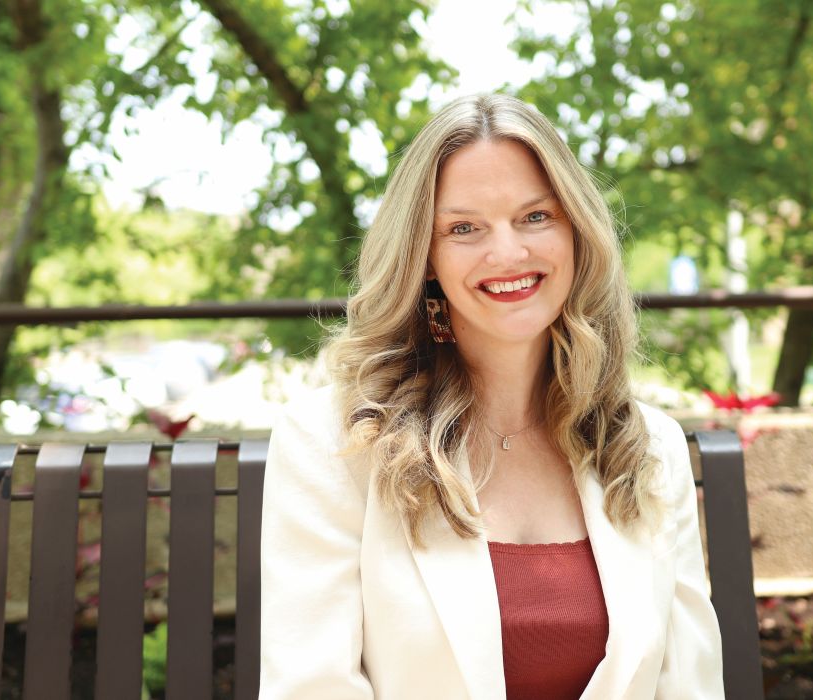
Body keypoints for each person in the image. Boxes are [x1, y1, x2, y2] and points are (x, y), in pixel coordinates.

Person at [260, 93, 724, 699]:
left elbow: (688, 686)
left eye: (535, 217)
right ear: (424, 257)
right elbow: (311, 689)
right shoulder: (333, 442)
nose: (507, 253)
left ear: (577, 233)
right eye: (463, 228)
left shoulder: (649, 446)